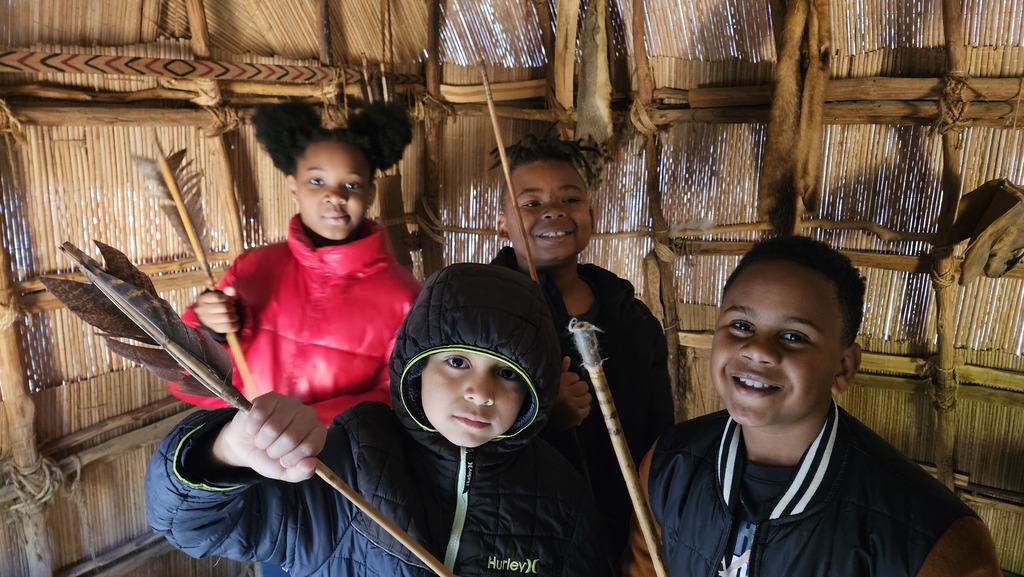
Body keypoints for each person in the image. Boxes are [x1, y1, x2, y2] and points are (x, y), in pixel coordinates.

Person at [146, 263, 612, 577]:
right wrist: (226, 451)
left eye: (507, 374)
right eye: (456, 362)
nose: (479, 391)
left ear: (536, 390)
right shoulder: (345, 464)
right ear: (415, 366)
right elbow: (190, 526)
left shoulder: (560, 497)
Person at [622, 235, 1003, 577]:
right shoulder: (668, 464)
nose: (756, 349)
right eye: (740, 325)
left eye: (793, 335)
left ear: (843, 367)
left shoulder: (935, 544)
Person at [173, 101, 421, 426]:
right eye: (317, 182)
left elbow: (402, 397)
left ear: (372, 192)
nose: (336, 196)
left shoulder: (403, 297)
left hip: (336, 465)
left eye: (352, 184)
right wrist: (209, 332)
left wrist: (301, 424)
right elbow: (187, 383)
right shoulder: (251, 269)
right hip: (246, 457)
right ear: (293, 186)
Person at [490, 134, 675, 559]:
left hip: (624, 529)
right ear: (501, 224)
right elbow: (454, 430)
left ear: (590, 215)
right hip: (523, 536)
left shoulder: (633, 319)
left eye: (570, 199)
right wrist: (540, 418)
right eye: (531, 203)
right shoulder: (483, 315)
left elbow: (659, 432)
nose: (553, 210)